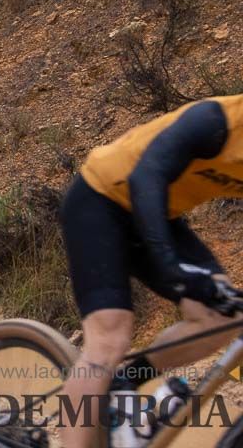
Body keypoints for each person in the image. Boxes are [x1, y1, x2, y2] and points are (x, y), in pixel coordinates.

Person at [56, 97, 243, 448]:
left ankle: (125, 383)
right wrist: (172, 268)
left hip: (159, 216)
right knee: (109, 337)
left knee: (222, 316)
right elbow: (146, 176)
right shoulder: (217, 121)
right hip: (101, 199)